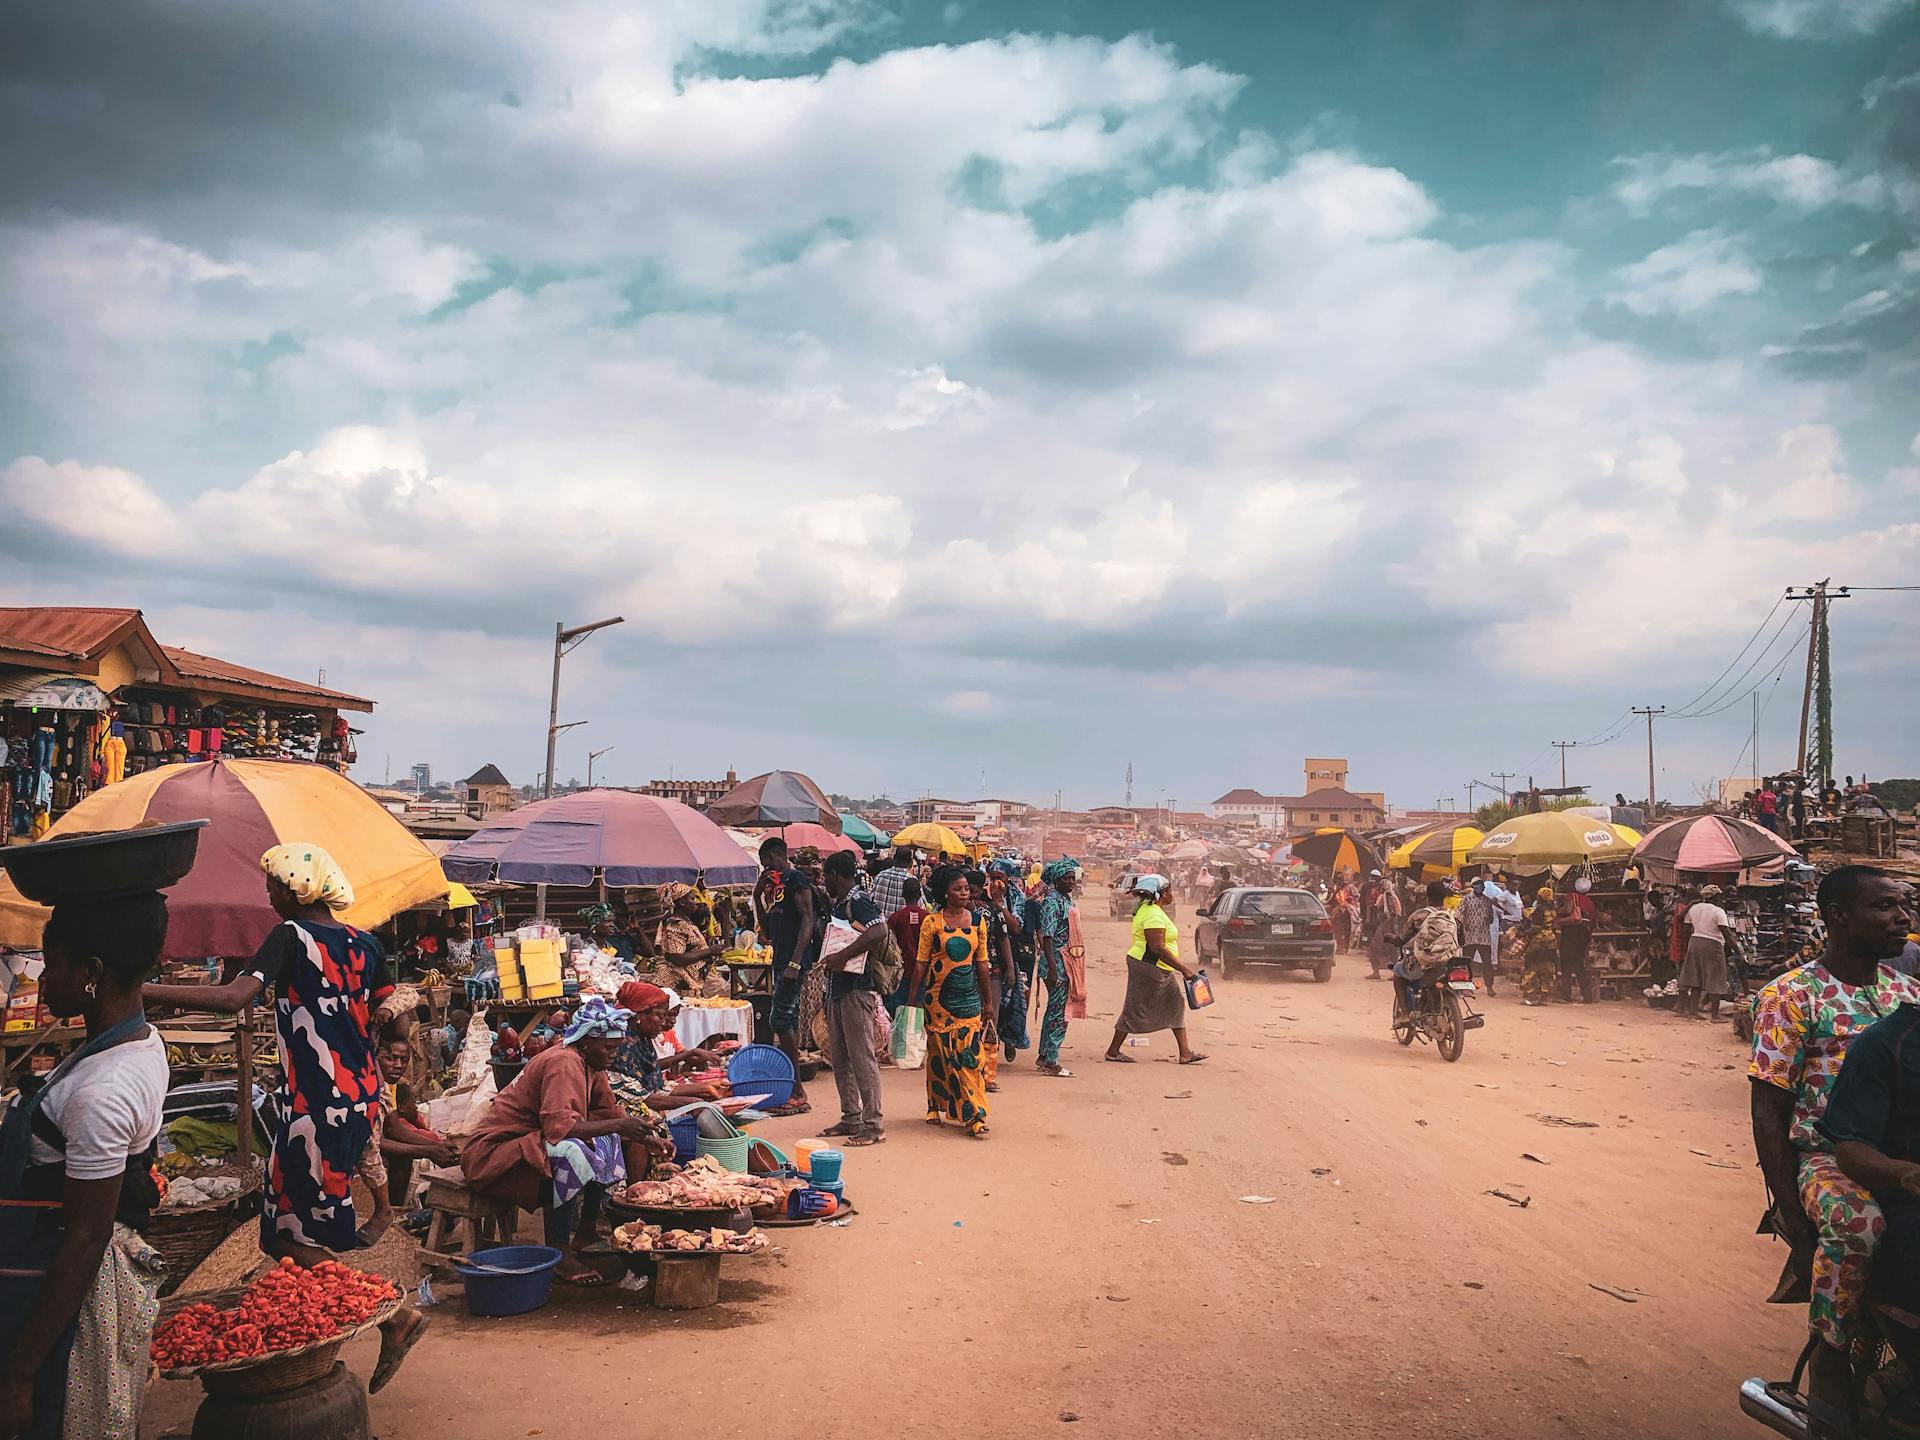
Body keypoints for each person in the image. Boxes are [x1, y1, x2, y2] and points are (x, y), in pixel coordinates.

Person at [141, 843, 428, 1393]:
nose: (268, 895)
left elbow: (233, 999)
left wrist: (137, 989)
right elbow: (397, 1018)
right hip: (358, 1097)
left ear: (296, 888)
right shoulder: (366, 943)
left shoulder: (290, 937)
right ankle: (358, 1315)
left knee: (285, 1233)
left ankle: (394, 1317)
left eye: (272, 885)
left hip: (316, 1104)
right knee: (292, 1229)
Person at [1749, 866, 1920, 1435]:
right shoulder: (1791, 996)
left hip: (1902, 1153)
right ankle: (1829, 1355)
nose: (1901, 917)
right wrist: (1793, 1216)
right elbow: (1768, 1112)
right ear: (1839, 917)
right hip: (1824, 1158)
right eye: (1885, 907)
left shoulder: (1907, 993)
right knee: (1858, 1225)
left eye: (1904, 906)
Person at [0, 889, 169, 1440]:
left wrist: (20, 1375)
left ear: (92, 973)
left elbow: (85, 1238)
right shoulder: (135, 1043)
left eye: (53, 965)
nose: (43, 981)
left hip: (52, 1304)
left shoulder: (104, 1091)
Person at [463, 996, 660, 1286]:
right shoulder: (564, 1062)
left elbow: (608, 1110)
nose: (613, 1056)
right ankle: (558, 1250)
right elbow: (559, 1128)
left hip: (533, 1143)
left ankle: (587, 1228)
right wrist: (620, 1124)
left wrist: (644, 1135)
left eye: (615, 1049)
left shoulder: (590, 1062)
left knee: (609, 1139)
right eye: (608, 1048)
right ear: (588, 1041)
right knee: (571, 1151)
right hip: (497, 1154)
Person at [906, 868, 995, 1137]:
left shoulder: (978, 922)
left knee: (968, 1058)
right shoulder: (932, 923)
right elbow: (921, 962)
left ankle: (974, 1115)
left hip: (968, 1000)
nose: (965, 892)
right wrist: (912, 1000)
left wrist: (988, 1002)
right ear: (946, 892)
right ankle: (935, 1105)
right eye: (958, 888)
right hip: (937, 1000)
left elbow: (982, 963)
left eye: (967, 888)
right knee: (940, 1054)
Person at [817, 850, 890, 1145]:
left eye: (826, 876)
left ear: (835, 875)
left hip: (856, 989)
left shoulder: (858, 900)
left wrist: (844, 955)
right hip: (839, 988)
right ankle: (851, 1116)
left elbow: (879, 930)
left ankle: (873, 1124)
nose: (824, 882)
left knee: (862, 1057)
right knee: (841, 1056)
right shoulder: (842, 903)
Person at [1106, 876, 1206, 1065]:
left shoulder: (1151, 910)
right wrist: (1184, 969)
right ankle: (1113, 1050)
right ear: (1160, 894)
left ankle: (1185, 1052)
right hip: (1149, 966)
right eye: (1168, 890)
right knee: (1135, 1008)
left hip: (1155, 966)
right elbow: (1157, 948)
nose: (1171, 894)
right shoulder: (1152, 914)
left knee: (1175, 1003)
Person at [755, 837, 816, 1116]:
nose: (765, 867)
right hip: (780, 959)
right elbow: (766, 931)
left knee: (778, 1018)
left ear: (775, 855)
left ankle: (797, 1089)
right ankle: (794, 1088)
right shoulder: (773, 889)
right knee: (786, 1018)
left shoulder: (796, 880)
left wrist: (795, 961)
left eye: (766, 861)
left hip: (792, 961)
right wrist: (757, 896)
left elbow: (807, 919)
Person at [608, 981, 727, 1113]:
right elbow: (640, 1096)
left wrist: (705, 1088)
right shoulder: (619, 1046)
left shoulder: (642, 1042)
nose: (664, 1022)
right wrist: (693, 1102)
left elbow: (659, 1087)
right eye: (660, 1016)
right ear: (640, 1016)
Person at [1034, 859, 1079, 1077]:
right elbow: (1047, 937)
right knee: (1059, 1013)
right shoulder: (1053, 902)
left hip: (1066, 961)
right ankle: (1052, 1061)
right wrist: (1053, 968)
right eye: (1066, 878)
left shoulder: (1065, 900)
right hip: (1058, 963)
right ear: (1056, 880)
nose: (1071, 882)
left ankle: (1044, 1055)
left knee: (1054, 1010)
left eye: (1072, 878)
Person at [1676, 885, 1735, 1021]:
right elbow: (1727, 933)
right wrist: (1738, 951)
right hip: (1713, 944)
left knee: (1695, 977)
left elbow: (1684, 925)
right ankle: (1715, 1015)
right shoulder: (1718, 911)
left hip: (1695, 941)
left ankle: (1692, 1012)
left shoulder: (1694, 908)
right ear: (1716, 897)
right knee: (1716, 978)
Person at [884, 878, 929, 1015]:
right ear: (920, 895)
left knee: (897, 1011)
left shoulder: (895, 918)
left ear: (903, 895)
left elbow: (890, 945)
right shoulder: (927, 918)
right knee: (917, 1011)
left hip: (899, 971)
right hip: (921, 972)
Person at [1455, 879, 1499, 995]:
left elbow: (1491, 918)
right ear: (1473, 886)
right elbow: (1459, 914)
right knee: (1466, 962)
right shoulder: (1466, 899)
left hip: (1484, 937)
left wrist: (1488, 919)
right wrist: (1465, 925)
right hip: (1469, 936)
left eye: (1482, 886)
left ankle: (1489, 987)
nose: (1480, 888)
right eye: (1478, 885)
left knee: (1487, 963)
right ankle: (1465, 986)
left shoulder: (1487, 901)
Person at [1557, 880, 1597, 1004]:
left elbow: (1567, 909)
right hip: (1584, 934)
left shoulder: (1571, 897)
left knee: (1566, 964)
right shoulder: (1590, 902)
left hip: (1571, 932)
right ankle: (1587, 995)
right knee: (1579, 964)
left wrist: (1557, 913)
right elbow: (1593, 920)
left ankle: (1565, 995)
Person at [1520, 886, 1559, 1007]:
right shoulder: (1553, 911)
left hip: (1538, 943)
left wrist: (1524, 932)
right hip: (1551, 941)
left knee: (1532, 968)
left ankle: (1531, 996)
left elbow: (1536, 927)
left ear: (1539, 897)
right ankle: (1543, 996)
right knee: (1547, 969)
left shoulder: (1539, 910)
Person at [869, 848, 916, 920]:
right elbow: (921, 906)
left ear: (894, 858)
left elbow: (870, 897)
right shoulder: (912, 880)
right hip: (899, 926)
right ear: (910, 862)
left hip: (879, 924)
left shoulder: (880, 875)